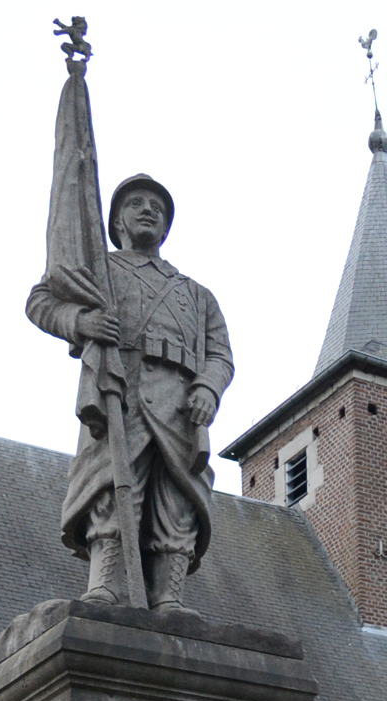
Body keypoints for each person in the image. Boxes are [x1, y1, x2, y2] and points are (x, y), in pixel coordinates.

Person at [26, 174, 233, 611]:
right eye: (136, 203)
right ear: (117, 221)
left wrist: (208, 389)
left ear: (167, 227)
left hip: (179, 409)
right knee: (112, 490)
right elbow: (41, 301)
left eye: (157, 207)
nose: (148, 210)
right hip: (121, 393)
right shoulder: (97, 271)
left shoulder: (197, 295)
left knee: (178, 502)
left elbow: (221, 356)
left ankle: (169, 598)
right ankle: (106, 585)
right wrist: (81, 323)